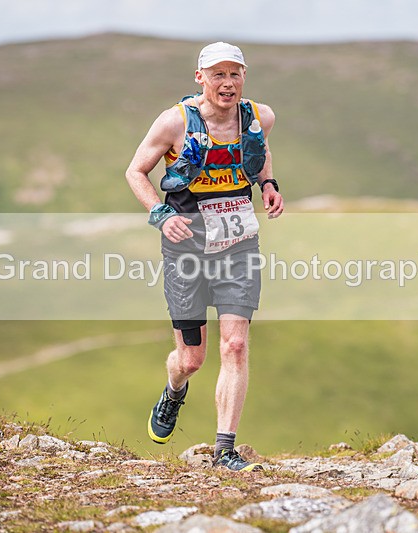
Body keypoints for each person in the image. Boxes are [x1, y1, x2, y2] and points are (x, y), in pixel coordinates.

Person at [125, 41, 283, 472]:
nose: (227, 83)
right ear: (200, 78)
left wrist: (268, 183)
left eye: (234, 74)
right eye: (217, 74)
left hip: (238, 247)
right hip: (187, 250)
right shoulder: (173, 123)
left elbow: (260, 151)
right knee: (191, 360)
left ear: (243, 77)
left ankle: (225, 451)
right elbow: (135, 171)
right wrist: (160, 214)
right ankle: (174, 390)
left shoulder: (259, 117)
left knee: (234, 345)